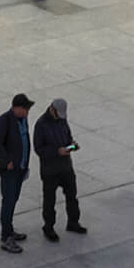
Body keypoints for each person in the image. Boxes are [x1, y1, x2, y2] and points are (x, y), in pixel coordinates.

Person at [35, 97, 85, 241]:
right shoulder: (41, 125)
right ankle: (49, 227)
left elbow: (67, 136)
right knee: (49, 200)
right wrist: (57, 151)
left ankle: (73, 222)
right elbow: (39, 149)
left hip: (65, 167)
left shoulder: (62, 120)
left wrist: (71, 144)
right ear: (52, 109)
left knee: (72, 196)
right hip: (50, 170)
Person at [0, 93, 34, 253]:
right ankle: (5, 237)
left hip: (20, 168)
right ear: (16, 108)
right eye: (25, 108)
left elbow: (25, 142)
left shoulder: (23, 121)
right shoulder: (3, 121)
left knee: (13, 199)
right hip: (9, 170)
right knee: (8, 202)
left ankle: (9, 230)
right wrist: (6, 161)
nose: (27, 111)